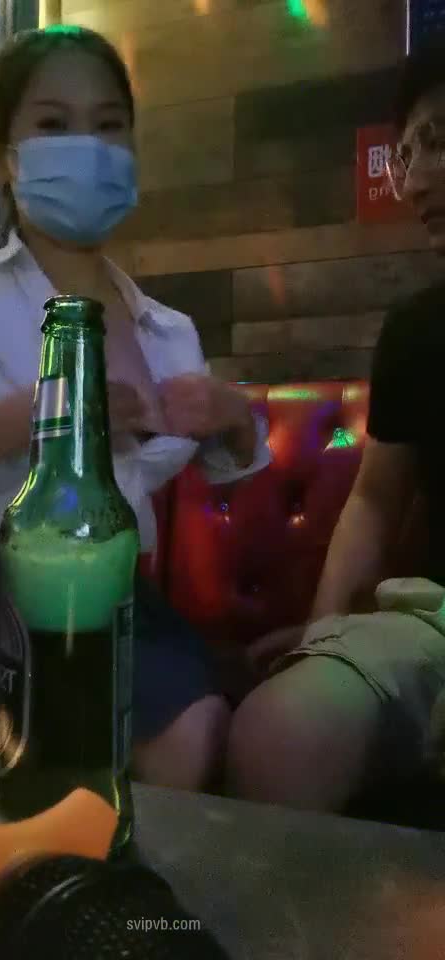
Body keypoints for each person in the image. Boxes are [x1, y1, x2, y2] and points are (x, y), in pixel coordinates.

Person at [0, 26, 271, 791]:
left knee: (200, 732)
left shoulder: (169, 330)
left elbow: (210, 466)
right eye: (53, 123)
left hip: (123, 601)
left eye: (109, 125)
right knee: (143, 741)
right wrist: (44, 412)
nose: (88, 147)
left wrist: (235, 424)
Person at [228, 36, 445, 811]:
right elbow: (375, 502)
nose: (414, 179)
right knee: (279, 733)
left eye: (440, 142)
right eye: (408, 152)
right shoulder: (417, 331)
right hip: (433, 619)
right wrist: (324, 632)